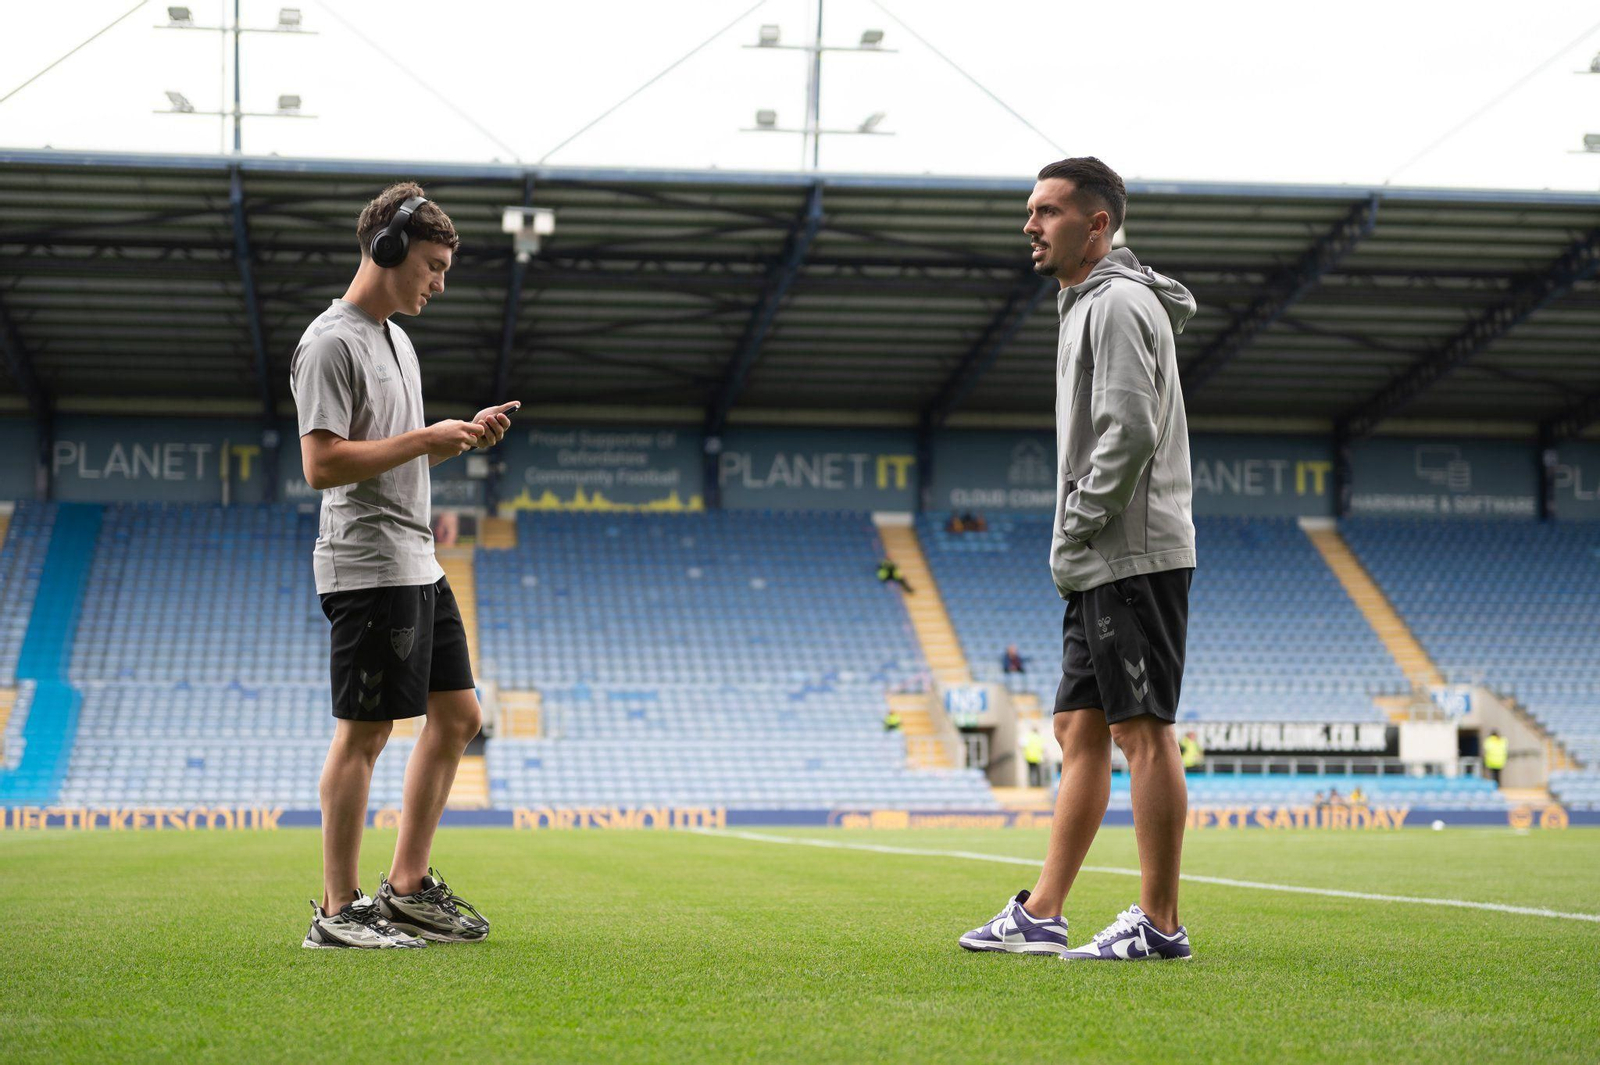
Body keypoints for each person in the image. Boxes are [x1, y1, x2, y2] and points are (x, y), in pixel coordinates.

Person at [959, 158, 1197, 963]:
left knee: (1142, 730)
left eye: (1047, 211)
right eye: (1030, 210)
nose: (1030, 223)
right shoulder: (1086, 305)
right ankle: (1044, 911)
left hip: (1127, 548)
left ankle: (1159, 921)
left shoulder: (1121, 304)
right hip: (1103, 553)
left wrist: (1076, 527)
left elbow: (1128, 431)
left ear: (1097, 223)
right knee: (1078, 727)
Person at [291, 182, 517, 950]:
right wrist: (427, 439)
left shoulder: (396, 338)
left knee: (459, 716)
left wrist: (458, 435)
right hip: (369, 564)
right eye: (432, 264)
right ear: (387, 250)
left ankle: (409, 888)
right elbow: (321, 464)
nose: (439, 282)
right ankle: (337, 909)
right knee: (367, 732)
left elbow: (390, 445)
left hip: (416, 555)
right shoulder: (332, 342)